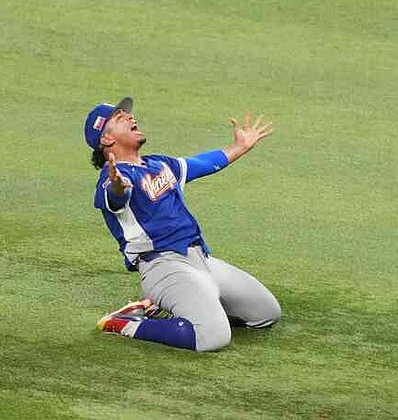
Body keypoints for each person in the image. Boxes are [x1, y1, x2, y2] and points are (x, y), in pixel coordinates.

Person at [83, 97, 281, 350]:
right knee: (212, 337)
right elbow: (114, 197)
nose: (131, 117)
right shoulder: (111, 180)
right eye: (120, 118)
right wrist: (118, 187)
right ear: (106, 139)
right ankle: (122, 323)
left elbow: (203, 163)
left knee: (266, 313)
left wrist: (239, 147)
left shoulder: (159, 163)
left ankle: (169, 304)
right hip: (164, 267)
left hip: (202, 261)